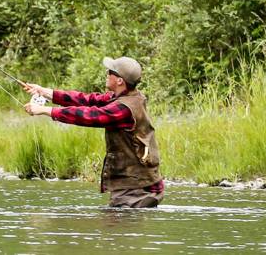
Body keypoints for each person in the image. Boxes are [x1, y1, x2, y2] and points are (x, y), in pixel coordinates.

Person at [22, 56, 164, 208]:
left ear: (119, 81)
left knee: (116, 227)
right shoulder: (124, 97)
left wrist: (44, 110)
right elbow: (86, 100)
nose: (107, 73)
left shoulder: (124, 108)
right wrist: (44, 92)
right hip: (135, 184)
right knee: (114, 226)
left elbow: (90, 116)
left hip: (138, 188)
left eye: (110, 72)